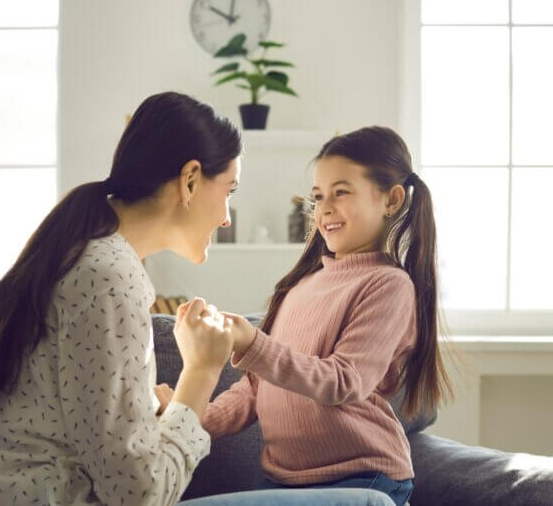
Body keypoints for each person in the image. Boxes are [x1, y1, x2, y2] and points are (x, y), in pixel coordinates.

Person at [0, 92, 395, 506]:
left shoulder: (87, 259)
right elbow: (138, 494)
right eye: (229, 191)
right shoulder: (109, 278)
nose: (226, 218)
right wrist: (201, 371)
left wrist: (175, 409)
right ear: (189, 180)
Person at [191, 126, 454, 506]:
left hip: (363, 479)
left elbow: (344, 381)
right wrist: (189, 417)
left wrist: (253, 342)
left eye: (341, 192)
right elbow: (255, 388)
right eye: (318, 196)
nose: (325, 207)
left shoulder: (388, 284)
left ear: (392, 200)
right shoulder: (299, 286)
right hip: (283, 482)